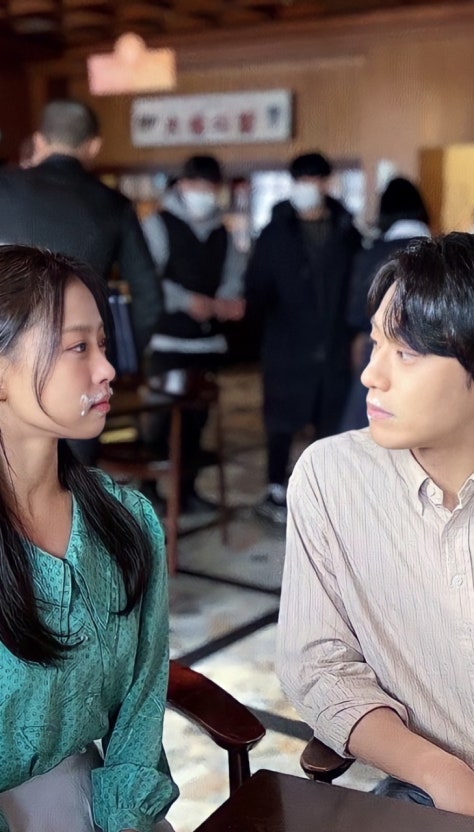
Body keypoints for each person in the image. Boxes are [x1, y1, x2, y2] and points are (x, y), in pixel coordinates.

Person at [277, 232, 474, 816]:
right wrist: (441, 774)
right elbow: (318, 664)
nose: (371, 375)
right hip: (429, 791)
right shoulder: (332, 477)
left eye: (406, 353)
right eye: (375, 343)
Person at [0, 245, 177, 831]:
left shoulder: (125, 523)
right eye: (78, 347)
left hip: (96, 803)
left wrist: (123, 820)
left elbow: (140, 714)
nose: (106, 369)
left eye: (102, 343)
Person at [245, 151, 360, 524]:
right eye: (301, 180)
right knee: (281, 420)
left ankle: (322, 493)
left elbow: (357, 287)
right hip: (286, 342)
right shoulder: (275, 232)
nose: (306, 187)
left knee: (330, 424)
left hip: (335, 342)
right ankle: (275, 488)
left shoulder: (347, 231)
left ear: (326, 183)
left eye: (313, 180)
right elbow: (256, 289)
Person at [0, 98, 161, 359]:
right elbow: (149, 297)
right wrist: (113, 353)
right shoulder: (113, 204)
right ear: (94, 146)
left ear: (39, 141)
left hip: (7, 353)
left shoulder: (4, 187)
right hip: (78, 354)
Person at [141, 154, 246, 513]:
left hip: (207, 342)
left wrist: (227, 301)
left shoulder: (223, 232)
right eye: (197, 186)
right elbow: (148, 279)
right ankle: (148, 489)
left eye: (210, 188)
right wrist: (186, 301)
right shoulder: (158, 224)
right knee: (160, 418)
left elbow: (233, 274)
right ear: (182, 185)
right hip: (168, 340)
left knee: (197, 422)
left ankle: (187, 491)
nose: (204, 194)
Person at [341, 176, 431, 430]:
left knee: (369, 428)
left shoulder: (371, 255)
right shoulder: (442, 253)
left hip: (377, 350)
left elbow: (357, 314)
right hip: (431, 354)